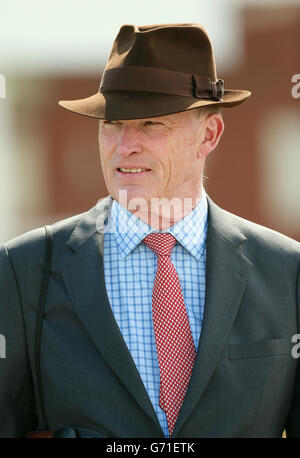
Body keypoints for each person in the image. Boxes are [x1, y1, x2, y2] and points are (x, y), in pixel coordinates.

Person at [0, 22, 299, 439]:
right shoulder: (23, 269)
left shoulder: (288, 271)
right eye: (112, 123)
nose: (125, 146)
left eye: (151, 124)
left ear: (209, 134)